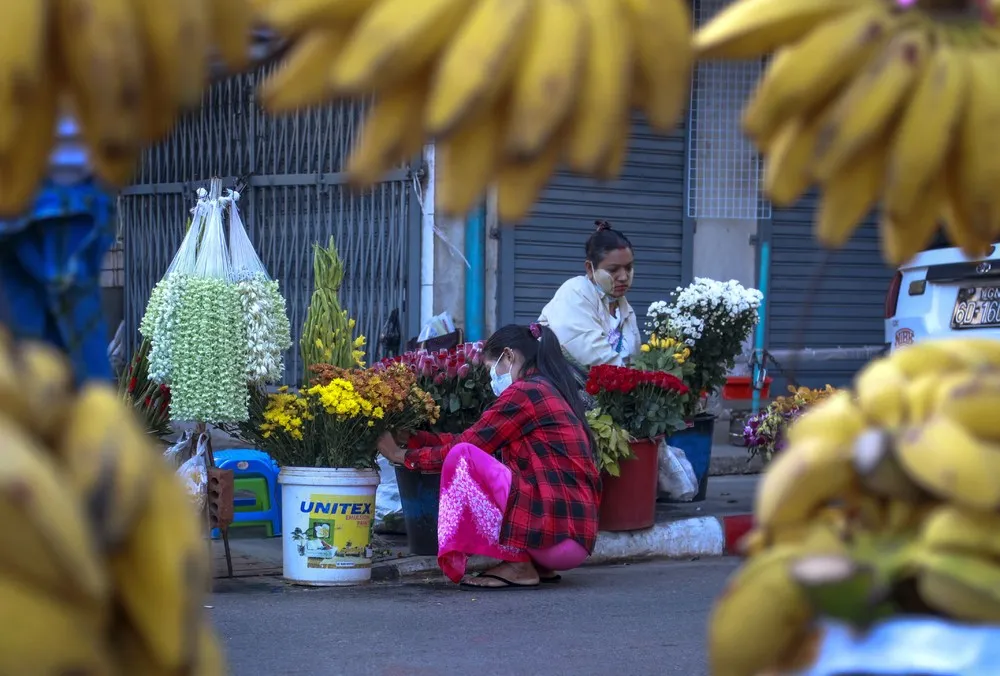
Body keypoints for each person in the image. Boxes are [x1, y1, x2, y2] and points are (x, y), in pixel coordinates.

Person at [376, 323, 600, 589]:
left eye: (490, 368)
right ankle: (534, 564)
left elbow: (466, 448)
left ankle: (518, 565)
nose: (491, 378)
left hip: (555, 536)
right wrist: (414, 439)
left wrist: (400, 455)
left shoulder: (525, 391)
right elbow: (477, 439)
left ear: (508, 356)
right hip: (572, 538)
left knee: (463, 458)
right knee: (469, 454)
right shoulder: (548, 388)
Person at [538, 220, 641, 379]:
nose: (623, 277)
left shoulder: (624, 307)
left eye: (628, 267)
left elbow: (634, 361)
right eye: (613, 269)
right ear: (589, 268)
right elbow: (593, 356)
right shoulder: (575, 292)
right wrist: (635, 383)